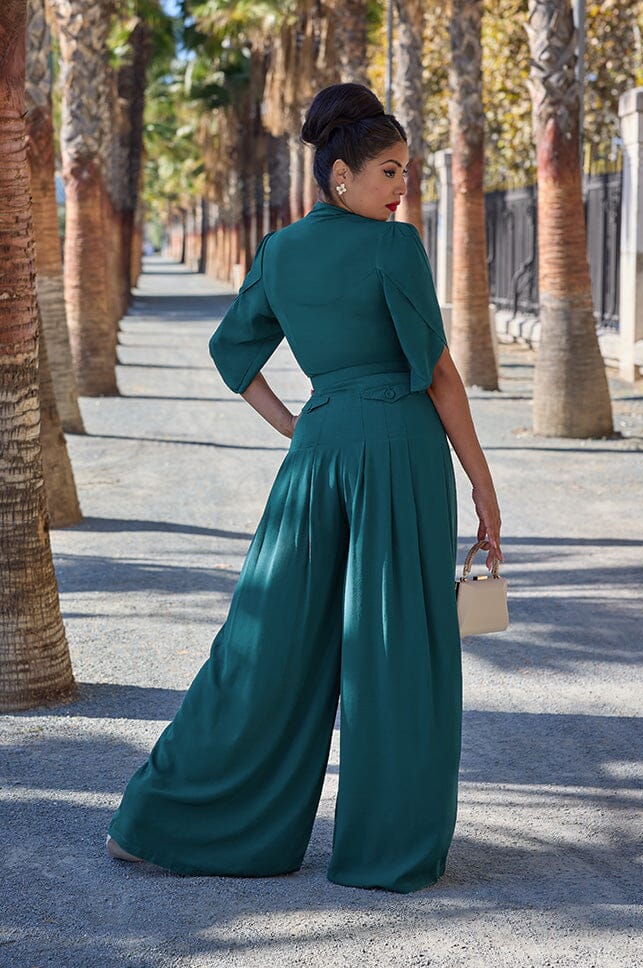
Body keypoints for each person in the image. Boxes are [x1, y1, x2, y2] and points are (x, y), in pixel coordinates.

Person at [106, 83, 503, 894]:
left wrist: (296, 424)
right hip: (400, 452)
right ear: (340, 176)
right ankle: (385, 852)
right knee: (397, 646)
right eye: (388, 171)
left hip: (318, 452)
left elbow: (232, 352)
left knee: (266, 641)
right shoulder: (395, 248)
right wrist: (482, 485)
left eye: (405, 172)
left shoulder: (280, 251)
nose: (400, 188)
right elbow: (437, 375)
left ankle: (164, 818)